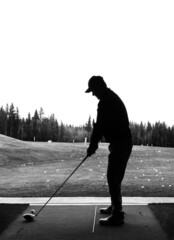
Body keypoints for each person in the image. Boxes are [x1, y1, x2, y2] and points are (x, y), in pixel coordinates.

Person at [85, 76, 133, 226]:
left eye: (93, 90)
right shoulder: (109, 98)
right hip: (121, 142)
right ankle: (115, 207)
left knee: (113, 176)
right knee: (115, 177)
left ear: (99, 86)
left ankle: (117, 214)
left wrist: (92, 146)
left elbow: (99, 127)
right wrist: (93, 145)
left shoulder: (106, 101)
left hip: (121, 143)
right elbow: (102, 127)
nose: (93, 94)